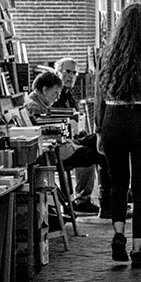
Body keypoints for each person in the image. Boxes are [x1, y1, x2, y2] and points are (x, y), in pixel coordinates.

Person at [95, 3, 141, 268]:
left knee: (118, 183)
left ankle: (119, 234)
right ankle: (137, 251)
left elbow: (99, 95)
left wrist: (99, 129)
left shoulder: (107, 53)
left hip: (113, 119)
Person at [24, 70, 110, 215]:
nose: (58, 97)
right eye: (55, 93)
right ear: (44, 90)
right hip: (57, 151)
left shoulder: (38, 102)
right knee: (102, 154)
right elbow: (44, 134)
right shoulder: (34, 107)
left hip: (64, 143)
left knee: (99, 139)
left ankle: (111, 199)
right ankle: (107, 205)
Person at [53, 56, 103, 215]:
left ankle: (107, 194)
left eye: (74, 73)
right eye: (67, 72)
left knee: (101, 140)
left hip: (71, 138)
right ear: (58, 72)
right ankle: (84, 200)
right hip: (61, 143)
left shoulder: (68, 95)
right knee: (94, 154)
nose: (71, 76)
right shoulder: (55, 94)